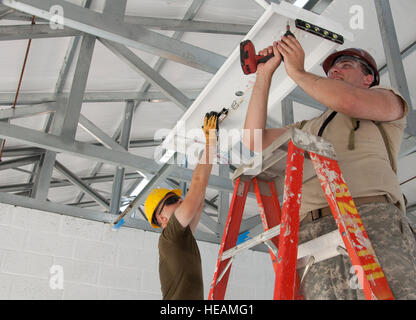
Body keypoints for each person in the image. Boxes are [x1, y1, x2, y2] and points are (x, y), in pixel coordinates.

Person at [242, 34, 416, 299]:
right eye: (333, 68)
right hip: (313, 235)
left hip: (369, 219)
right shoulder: (307, 128)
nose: (335, 69)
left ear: (368, 79)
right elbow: (254, 139)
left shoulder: (388, 102)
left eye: (346, 65)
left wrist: (297, 72)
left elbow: (350, 102)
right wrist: (264, 75)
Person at [144, 112, 218, 300]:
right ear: (162, 219)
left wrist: (208, 145)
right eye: (171, 201)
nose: (180, 200)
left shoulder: (182, 236)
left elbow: (198, 197)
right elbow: (198, 184)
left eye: (176, 198)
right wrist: (211, 143)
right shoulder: (171, 235)